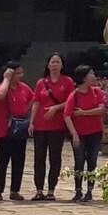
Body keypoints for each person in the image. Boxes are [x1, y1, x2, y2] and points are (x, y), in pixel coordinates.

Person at [30, 53, 75, 201]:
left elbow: (70, 101)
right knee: (39, 158)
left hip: (57, 125)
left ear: (62, 65)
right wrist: (31, 122)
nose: (55, 65)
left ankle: (51, 189)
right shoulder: (41, 83)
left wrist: (55, 108)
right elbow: (36, 102)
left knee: (55, 158)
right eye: (52, 62)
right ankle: (39, 189)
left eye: (58, 62)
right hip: (41, 125)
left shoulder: (67, 82)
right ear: (48, 65)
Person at [0, 61, 32, 201]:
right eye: (17, 73)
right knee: (2, 161)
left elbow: (34, 98)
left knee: (18, 160)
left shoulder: (24, 88)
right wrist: (6, 79)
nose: (20, 75)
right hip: (3, 130)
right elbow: (0, 95)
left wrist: (25, 110)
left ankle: (15, 190)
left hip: (19, 129)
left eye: (21, 72)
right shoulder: (0, 87)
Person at [66, 65, 106, 203]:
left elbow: (101, 110)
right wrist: (74, 134)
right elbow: (67, 115)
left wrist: (83, 113)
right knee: (79, 161)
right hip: (80, 133)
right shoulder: (74, 95)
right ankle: (78, 190)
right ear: (83, 77)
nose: (94, 76)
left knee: (92, 162)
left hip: (95, 132)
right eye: (91, 74)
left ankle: (90, 190)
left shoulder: (97, 92)